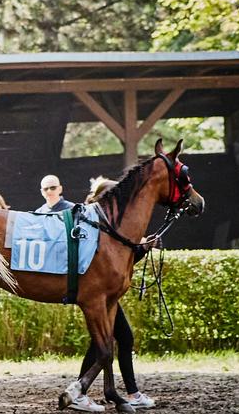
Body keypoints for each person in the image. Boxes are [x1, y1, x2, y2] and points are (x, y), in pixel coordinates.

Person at [73, 176, 155, 411]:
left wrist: (141, 248)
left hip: (104, 295)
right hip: (100, 295)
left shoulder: (109, 229)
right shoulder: (101, 230)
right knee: (114, 340)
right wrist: (141, 248)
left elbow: (122, 265)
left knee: (107, 342)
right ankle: (123, 392)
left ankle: (119, 391)